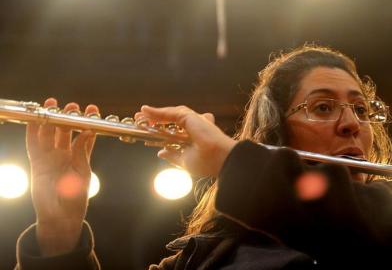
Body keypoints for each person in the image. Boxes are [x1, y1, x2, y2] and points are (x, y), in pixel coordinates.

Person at [15, 44, 392, 269]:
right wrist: (58, 231)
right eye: (323, 107)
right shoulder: (202, 259)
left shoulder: (382, 216)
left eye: (361, 110)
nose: (350, 124)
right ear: (275, 132)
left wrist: (231, 162)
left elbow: (351, 223)